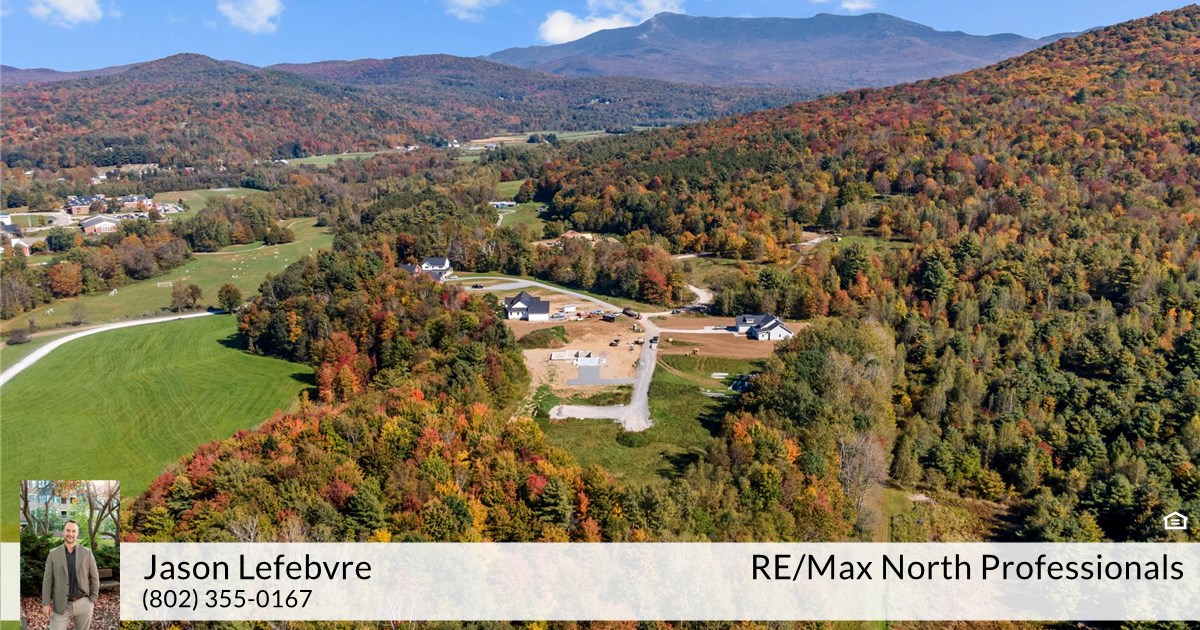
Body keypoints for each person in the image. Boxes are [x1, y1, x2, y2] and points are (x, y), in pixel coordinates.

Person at [42, 520, 99, 630]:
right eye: (68, 530)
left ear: (77, 533)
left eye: (74, 531)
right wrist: (46, 603)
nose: (70, 534)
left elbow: (95, 577)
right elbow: (47, 580)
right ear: (63, 532)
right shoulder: (53, 554)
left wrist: (93, 599)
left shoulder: (87, 553)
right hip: (61, 605)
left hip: (84, 603)